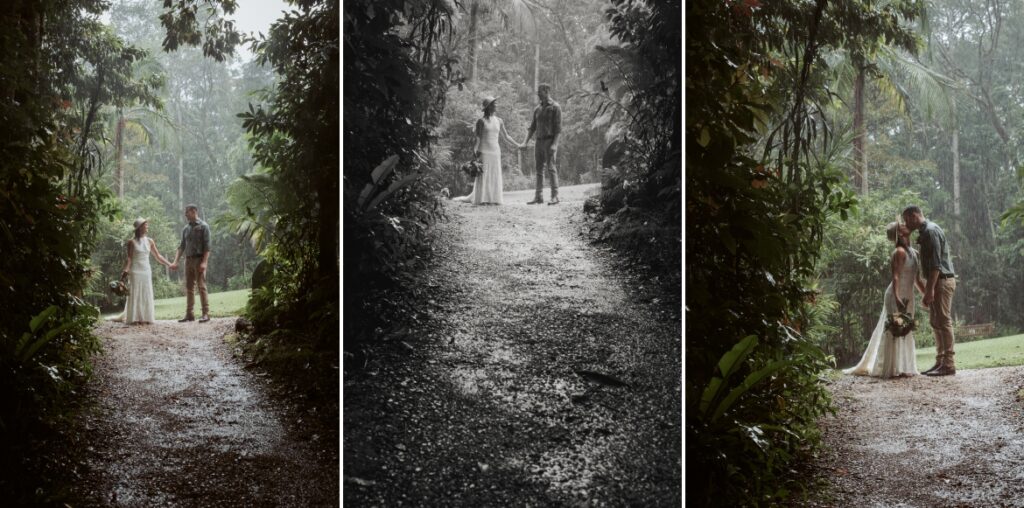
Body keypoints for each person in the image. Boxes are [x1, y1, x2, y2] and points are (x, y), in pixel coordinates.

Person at [845, 221, 926, 379]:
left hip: (908, 295)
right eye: (902, 225)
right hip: (895, 294)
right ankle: (891, 368)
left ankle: (905, 367)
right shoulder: (899, 252)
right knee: (894, 329)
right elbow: (895, 276)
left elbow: (916, 279)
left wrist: (925, 295)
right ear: (899, 233)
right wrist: (896, 297)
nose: (905, 225)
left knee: (906, 328)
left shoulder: (914, 253)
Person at [903, 205, 958, 376]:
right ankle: (940, 361)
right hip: (937, 282)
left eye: (906, 220)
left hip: (941, 281)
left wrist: (929, 290)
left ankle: (949, 364)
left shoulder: (931, 231)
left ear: (914, 216)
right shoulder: (925, 232)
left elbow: (936, 265)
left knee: (943, 321)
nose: (906, 223)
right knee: (936, 322)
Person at [455, 96, 521, 205]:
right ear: (489, 107)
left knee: (494, 174)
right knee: (484, 174)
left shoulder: (499, 121)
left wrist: (518, 145)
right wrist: (475, 150)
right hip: (484, 151)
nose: (496, 106)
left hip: (495, 151)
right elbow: (478, 139)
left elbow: (506, 136)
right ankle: (482, 198)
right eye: (494, 104)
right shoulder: (481, 121)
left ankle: (493, 199)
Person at [118, 218, 172, 325]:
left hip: (146, 270)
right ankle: (135, 318)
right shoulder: (131, 242)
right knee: (135, 292)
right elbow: (129, 258)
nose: (147, 226)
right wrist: (126, 270)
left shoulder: (150, 241)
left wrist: (169, 264)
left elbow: (158, 256)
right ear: (140, 227)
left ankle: (146, 317)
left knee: (146, 293)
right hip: (135, 271)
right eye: (145, 225)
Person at [169, 204, 211, 323]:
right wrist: (175, 261)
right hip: (188, 260)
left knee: (201, 286)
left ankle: (205, 313)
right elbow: (181, 246)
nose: (185, 214)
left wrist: (204, 262)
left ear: (194, 211)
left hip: (199, 260)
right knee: (189, 288)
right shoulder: (185, 229)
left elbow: (207, 247)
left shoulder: (204, 226)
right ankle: (189, 314)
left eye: (187, 212)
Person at [522, 83, 562, 205]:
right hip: (538, 142)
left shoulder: (556, 107)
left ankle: (555, 196)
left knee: (551, 168)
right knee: (539, 170)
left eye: (540, 91)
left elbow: (558, 129)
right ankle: (538, 196)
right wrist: (525, 142)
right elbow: (532, 127)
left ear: (546, 91)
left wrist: (555, 145)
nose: (538, 93)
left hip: (550, 141)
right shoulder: (537, 109)